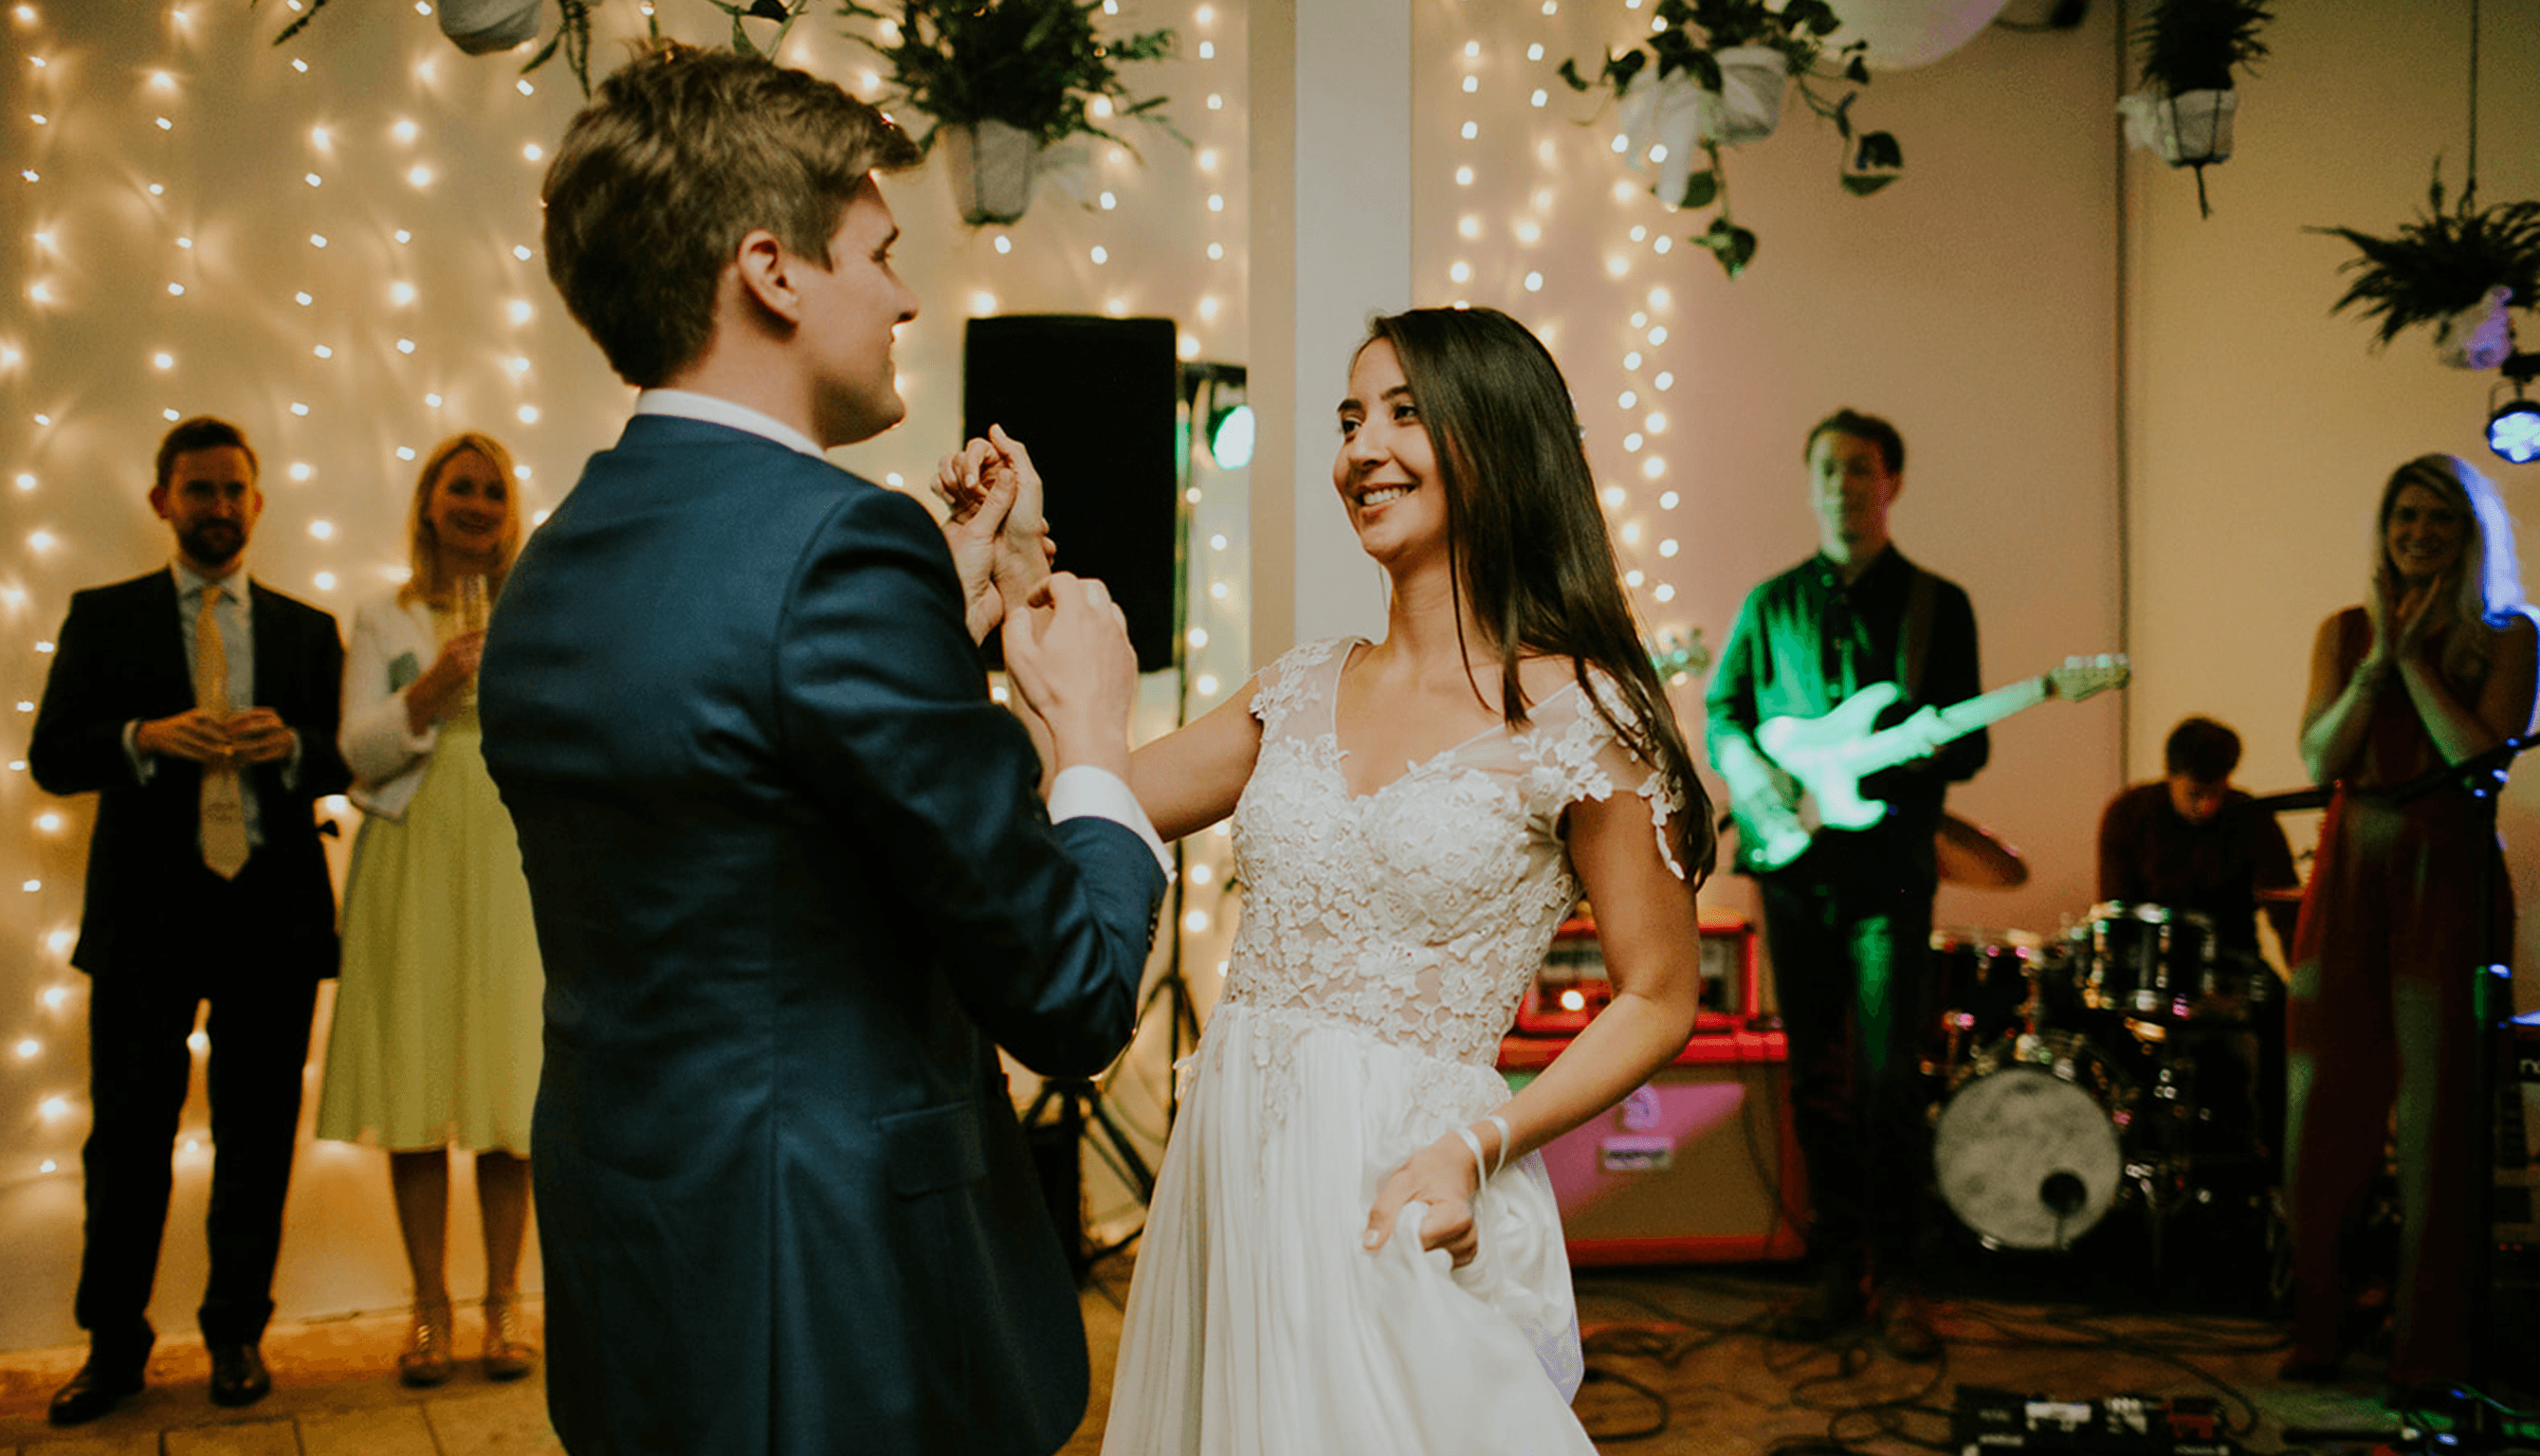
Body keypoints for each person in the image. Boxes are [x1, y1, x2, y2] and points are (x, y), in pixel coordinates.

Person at [476, 44, 1170, 1456]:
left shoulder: (558, 559)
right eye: (880, 251)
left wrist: (939, 615)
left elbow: (747, 800)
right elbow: (1068, 993)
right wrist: (1090, 733)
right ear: (772, 271)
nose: (908, 296)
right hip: (838, 1300)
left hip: (644, 1261)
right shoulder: (840, 553)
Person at [964, 306, 1711, 1452]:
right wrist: (1019, 574)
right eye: (1351, 419)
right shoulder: (1297, 688)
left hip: (1401, 1180)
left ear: (1502, 441)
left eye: (1406, 416)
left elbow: (1660, 994)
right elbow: (1087, 790)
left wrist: (1478, 1147)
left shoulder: (1581, 718)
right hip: (1233, 1167)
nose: (1362, 450)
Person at [27, 415, 351, 1424]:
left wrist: (291, 747)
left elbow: (342, 758)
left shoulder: (307, 629)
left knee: (258, 1139)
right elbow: (53, 756)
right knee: (126, 1141)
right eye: (198, 490)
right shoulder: (102, 613)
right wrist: (143, 735)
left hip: (273, 919)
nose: (217, 508)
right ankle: (113, 1347)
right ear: (162, 500)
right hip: (145, 921)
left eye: (232, 491)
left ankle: (237, 1335)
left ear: (259, 503)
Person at [1703, 408, 1985, 1358]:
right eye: (1826, 468)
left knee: (1885, 1079)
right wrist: (1755, 783)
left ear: (1891, 483)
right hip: (1792, 870)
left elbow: (1971, 743)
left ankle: (1901, 1281)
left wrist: (1899, 757)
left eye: (1859, 469)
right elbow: (1725, 714)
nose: (1840, 484)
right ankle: (1836, 1270)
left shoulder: (1936, 608)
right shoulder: (1770, 602)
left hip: (1889, 876)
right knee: (1815, 1079)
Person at [2284, 453, 2540, 1388]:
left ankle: (2425, 1353)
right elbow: (2321, 760)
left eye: (2439, 520)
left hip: (2449, 872)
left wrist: (2414, 665)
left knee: (2439, 1126)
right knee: (2320, 1113)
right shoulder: (2345, 629)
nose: (2418, 534)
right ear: (2385, 530)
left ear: (2470, 534)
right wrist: (2374, 665)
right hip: (2351, 868)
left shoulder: (2513, 632)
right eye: (2404, 519)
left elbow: (2480, 763)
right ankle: (2318, 1327)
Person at [314, 431, 543, 1388]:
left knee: (509, 1090)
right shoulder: (383, 610)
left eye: (493, 490)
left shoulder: (541, 608)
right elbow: (356, 751)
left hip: (510, 855)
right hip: (409, 854)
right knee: (414, 1080)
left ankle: (500, 1309)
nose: (478, 503)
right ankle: (427, 1312)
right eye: (461, 487)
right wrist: (432, 686)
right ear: (430, 502)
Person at [2097, 715, 2301, 1162]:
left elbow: (2287, 915)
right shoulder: (2130, 816)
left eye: (2217, 793)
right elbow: (2117, 916)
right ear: (2170, 776)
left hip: (2234, 966)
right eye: (2195, 794)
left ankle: (2276, 1160)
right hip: (2149, 969)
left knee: (2287, 1023)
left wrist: (2307, 980)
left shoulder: (2251, 819)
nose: (2208, 806)